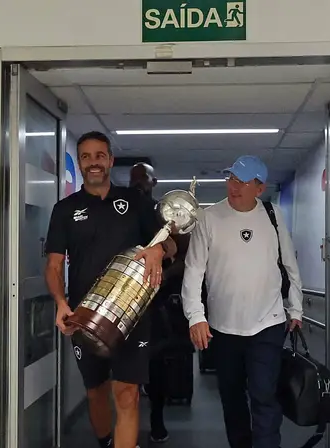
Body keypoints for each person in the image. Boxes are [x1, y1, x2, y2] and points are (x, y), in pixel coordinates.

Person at [44, 132, 177, 448]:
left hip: (132, 315)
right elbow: (53, 265)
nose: (94, 163)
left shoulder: (136, 202)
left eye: (100, 155)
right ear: (80, 163)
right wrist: (60, 302)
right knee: (96, 391)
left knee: (127, 393)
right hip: (85, 316)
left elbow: (171, 243)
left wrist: (159, 249)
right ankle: (105, 441)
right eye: (86, 157)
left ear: (110, 160)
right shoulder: (64, 209)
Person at [180, 155, 304, 448]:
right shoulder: (209, 218)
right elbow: (194, 269)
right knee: (232, 397)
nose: (234, 186)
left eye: (243, 182)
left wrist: (296, 309)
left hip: (267, 323)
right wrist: (196, 316)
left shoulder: (273, 215)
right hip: (223, 327)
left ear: (259, 188)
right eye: (232, 179)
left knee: (264, 395)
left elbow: (290, 265)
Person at [129, 162, 193, 443]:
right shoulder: (120, 212)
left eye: (143, 179)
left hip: (155, 302)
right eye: (133, 179)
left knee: (157, 365)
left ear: (153, 183)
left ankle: (156, 419)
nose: (137, 184)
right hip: (125, 301)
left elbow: (184, 256)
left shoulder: (163, 216)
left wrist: (162, 277)